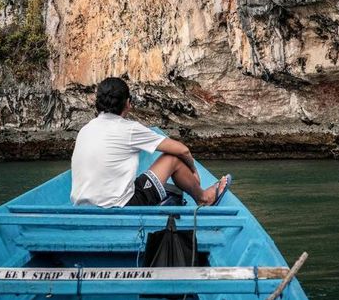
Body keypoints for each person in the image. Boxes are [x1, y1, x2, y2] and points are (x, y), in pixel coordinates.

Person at [70, 77, 230, 208]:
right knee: (173, 158)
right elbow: (182, 150)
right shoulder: (128, 129)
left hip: (81, 207)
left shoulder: (85, 129)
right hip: (121, 206)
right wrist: (194, 171)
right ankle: (203, 198)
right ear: (127, 103)